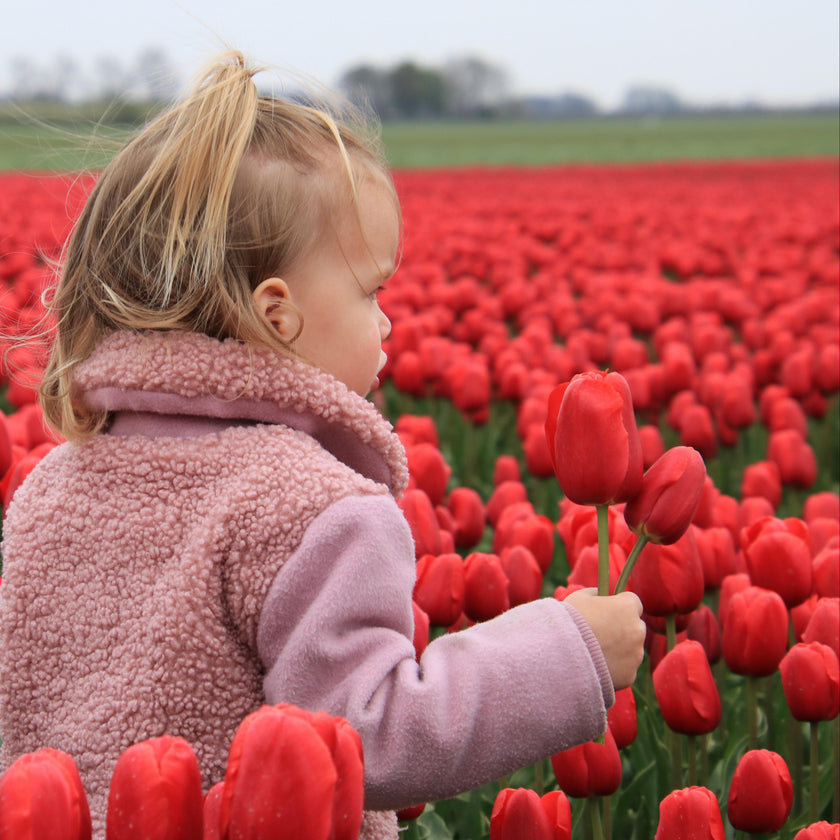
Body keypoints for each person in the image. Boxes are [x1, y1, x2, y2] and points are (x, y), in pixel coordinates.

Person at [0, 51, 646, 839]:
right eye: (370, 290)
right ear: (279, 314)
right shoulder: (313, 508)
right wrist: (565, 653)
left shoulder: (50, 487)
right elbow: (363, 733)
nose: (385, 320)